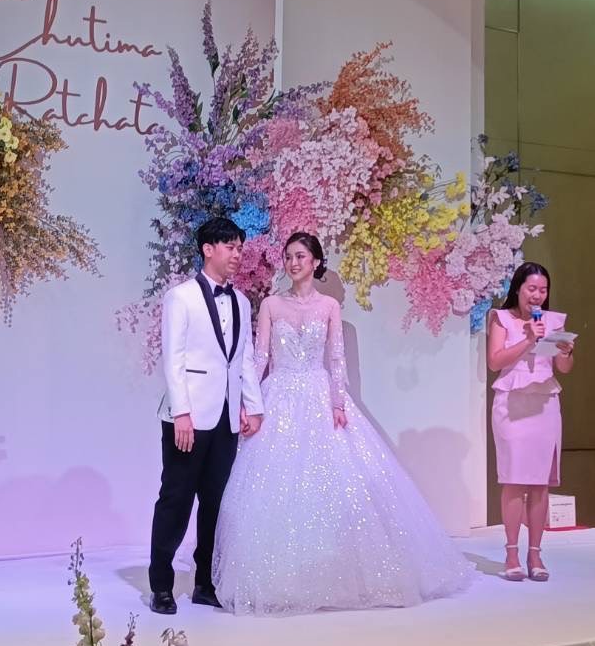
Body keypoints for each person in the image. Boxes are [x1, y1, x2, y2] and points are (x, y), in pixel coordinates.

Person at [213, 232, 473, 615]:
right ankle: (280, 578)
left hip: (319, 395)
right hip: (279, 395)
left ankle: (332, 573)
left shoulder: (329, 306)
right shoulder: (270, 304)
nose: (293, 263)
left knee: (331, 482)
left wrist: (337, 402)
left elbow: (337, 358)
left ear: (316, 262)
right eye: (289, 256)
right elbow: (259, 358)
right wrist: (248, 403)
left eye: (301, 256)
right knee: (275, 485)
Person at [148, 216, 264, 615]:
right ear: (208, 249)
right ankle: (161, 585)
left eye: (240, 248)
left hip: (226, 417)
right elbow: (173, 358)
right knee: (176, 499)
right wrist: (181, 413)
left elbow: (244, 358)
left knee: (216, 503)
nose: (237, 255)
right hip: (188, 417)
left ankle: (205, 583)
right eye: (230, 247)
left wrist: (253, 406)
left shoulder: (242, 302)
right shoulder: (180, 297)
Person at [487, 262, 574, 582]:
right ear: (518, 289)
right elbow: (494, 361)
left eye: (543, 290)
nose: (538, 295)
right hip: (511, 404)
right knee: (514, 480)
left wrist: (565, 352)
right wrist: (527, 339)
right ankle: (511, 553)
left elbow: (563, 368)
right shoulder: (502, 318)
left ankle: (535, 554)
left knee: (539, 483)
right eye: (532, 289)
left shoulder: (554, 321)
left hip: (545, 404)